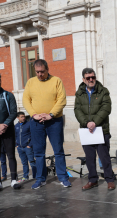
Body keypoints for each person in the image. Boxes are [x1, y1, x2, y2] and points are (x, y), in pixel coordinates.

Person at [22, 59, 72, 189]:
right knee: (38, 152)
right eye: (37, 72)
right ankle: (40, 179)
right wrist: (34, 114)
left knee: (58, 151)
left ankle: (63, 177)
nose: (39, 74)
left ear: (47, 69)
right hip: (36, 121)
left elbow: (62, 99)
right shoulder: (30, 82)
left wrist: (50, 114)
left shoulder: (56, 81)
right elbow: (26, 100)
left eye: (42, 72)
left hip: (54, 120)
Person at [74, 68, 115, 190]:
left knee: (104, 157)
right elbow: (77, 110)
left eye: (93, 77)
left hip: (101, 130)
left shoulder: (103, 91)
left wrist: (94, 122)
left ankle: (110, 180)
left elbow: (106, 108)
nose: (91, 80)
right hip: (86, 131)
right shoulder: (79, 93)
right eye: (88, 78)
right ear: (83, 79)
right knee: (89, 158)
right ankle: (93, 180)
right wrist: (87, 123)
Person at [15, 112, 37, 181]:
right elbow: (14, 136)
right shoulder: (16, 126)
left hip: (28, 147)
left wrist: (29, 145)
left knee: (32, 162)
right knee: (24, 163)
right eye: (21, 117)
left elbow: (33, 135)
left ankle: (35, 176)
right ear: (17, 118)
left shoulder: (29, 124)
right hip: (20, 148)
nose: (23, 118)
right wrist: (16, 145)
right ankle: (25, 176)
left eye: (24, 116)